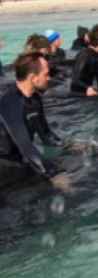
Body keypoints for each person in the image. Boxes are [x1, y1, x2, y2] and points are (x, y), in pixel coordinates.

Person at [0, 51, 70, 193]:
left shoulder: (35, 99)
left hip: (21, 163)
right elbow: (26, 148)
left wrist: (71, 145)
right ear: (32, 77)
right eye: (46, 74)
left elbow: (48, 137)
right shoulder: (9, 103)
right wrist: (53, 172)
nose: (49, 78)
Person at [70, 28, 98, 95]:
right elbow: (74, 79)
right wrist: (87, 88)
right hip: (76, 94)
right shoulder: (84, 56)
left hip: (89, 91)